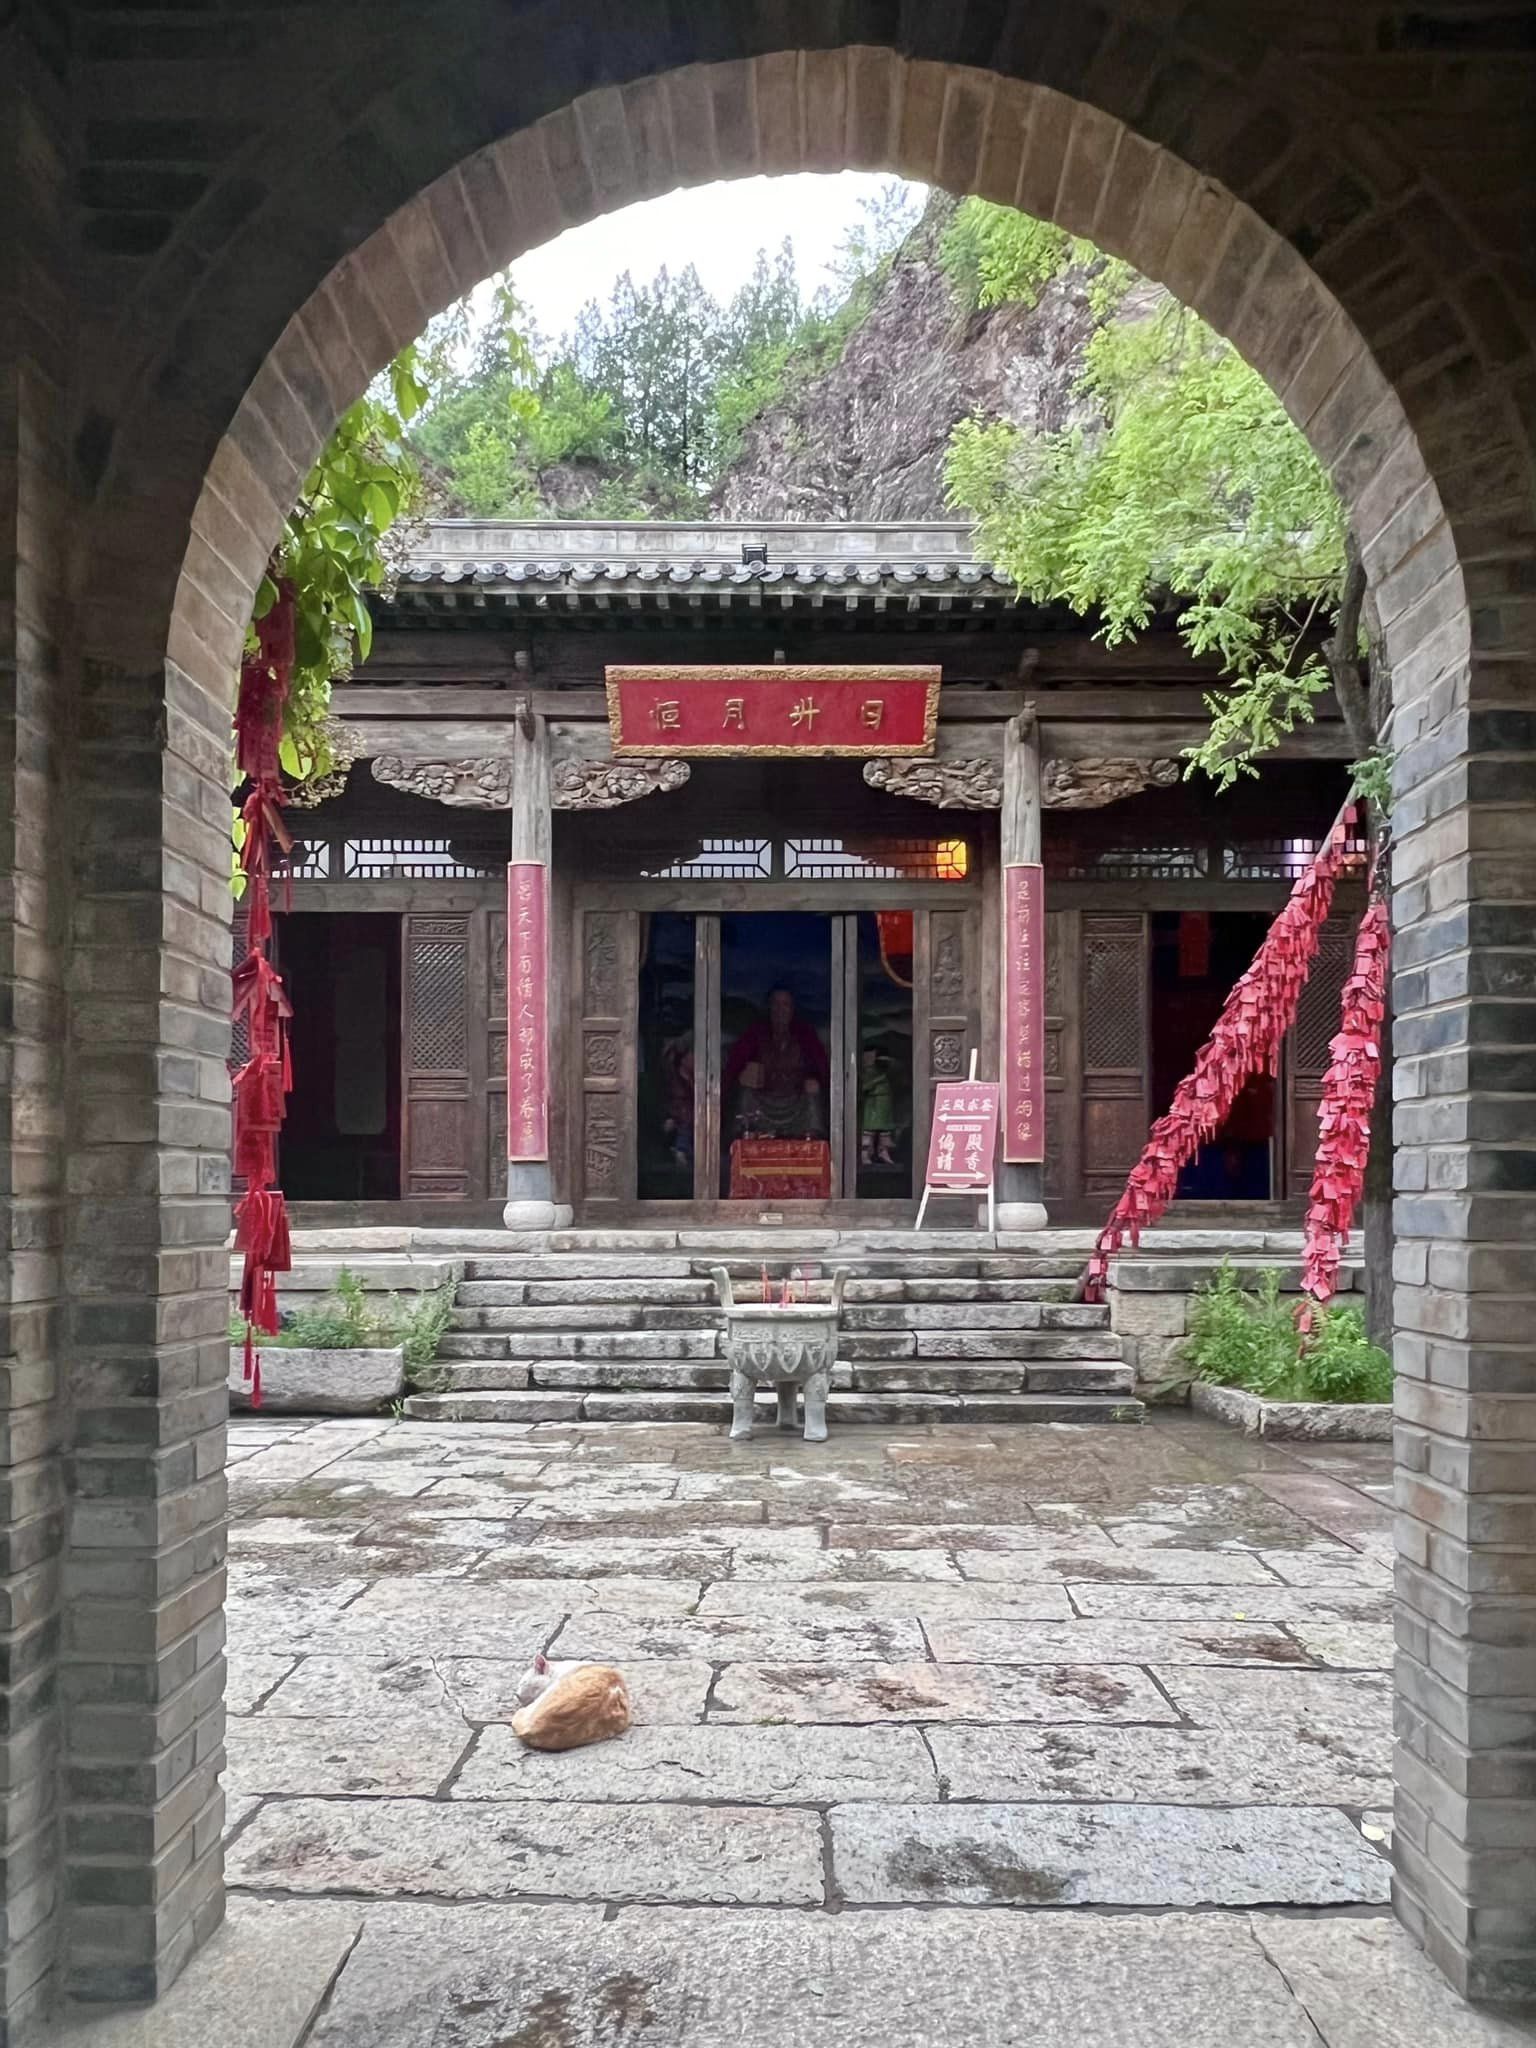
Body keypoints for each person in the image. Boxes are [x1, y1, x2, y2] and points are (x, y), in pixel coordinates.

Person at [724, 986, 829, 1139]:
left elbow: (821, 1067)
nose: (780, 1010)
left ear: (792, 1009)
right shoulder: (756, 1032)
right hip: (764, 1100)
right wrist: (744, 1076)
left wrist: (813, 1080)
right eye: (776, 1004)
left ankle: (812, 1136)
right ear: (769, 1007)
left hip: (795, 1099)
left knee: (813, 1091)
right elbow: (734, 1067)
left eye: (785, 1004)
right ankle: (745, 1136)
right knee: (746, 1094)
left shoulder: (804, 1033)